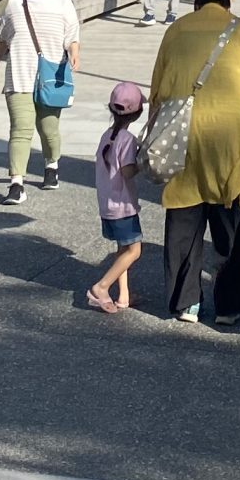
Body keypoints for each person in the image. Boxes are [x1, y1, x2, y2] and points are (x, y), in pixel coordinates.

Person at [148, 0, 240, 324]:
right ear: (227, 4)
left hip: (182, 133)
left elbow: (157, 88)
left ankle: (185, 302)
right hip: (227, 136)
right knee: (227, 216)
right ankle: (229, 307)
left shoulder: (176, 29)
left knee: (183, 216)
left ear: (197, 5)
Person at [0, 0, 80, 203]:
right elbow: (3, 38)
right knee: (20, 129)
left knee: (48, 129)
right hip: (18, 74)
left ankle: (51, 165)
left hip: (50, 76)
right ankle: (16, 183)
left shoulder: (62, 2)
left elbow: (72, 34)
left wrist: (74, 52)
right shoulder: (15, 4)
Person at [85, 81, 147, 313]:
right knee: (134, 251)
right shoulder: (127, 140)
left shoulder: (107, 135)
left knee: (123, 250)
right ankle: (101, 287)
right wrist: (143, 160)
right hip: (123, 206)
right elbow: (128, 172)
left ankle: (124, 295)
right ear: (138, 113)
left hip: (107, 204)